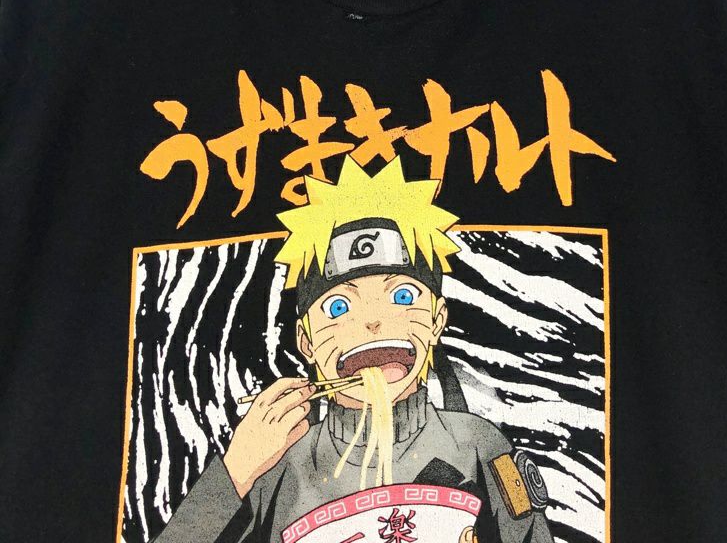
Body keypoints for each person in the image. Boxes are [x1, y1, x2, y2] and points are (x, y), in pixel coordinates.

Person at [153, 156, 554, 543]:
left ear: (436, 321)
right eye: (338, 307)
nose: (373, 321)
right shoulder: (277, 468)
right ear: (306, 341)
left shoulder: (478, 446)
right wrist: (237, 469)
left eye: (402, 295)